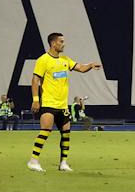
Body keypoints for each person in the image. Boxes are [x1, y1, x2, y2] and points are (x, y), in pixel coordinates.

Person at [28, 32, 103, 172]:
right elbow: (35, 80)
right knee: (45, 131)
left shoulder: (65, 60)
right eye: (61, 41)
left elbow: (80, 67)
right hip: (49, 104)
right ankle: (33, 161)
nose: (64, 44)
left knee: (66, 134)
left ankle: (63, 163)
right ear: (53, 43)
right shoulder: (43, 60)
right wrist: (36, 100)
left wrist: (90, 65)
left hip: (63, 106)